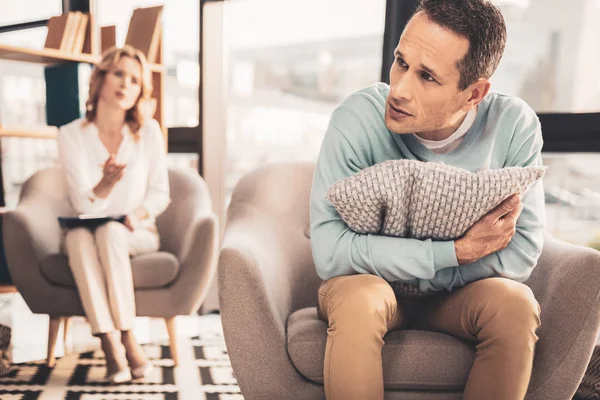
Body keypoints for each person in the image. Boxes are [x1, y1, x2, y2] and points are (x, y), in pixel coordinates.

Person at [310, 1, 545, 399]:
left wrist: (421, 270)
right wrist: (454, 252)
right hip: (369, 289)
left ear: (474, 93)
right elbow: (330, 254)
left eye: (427, 77)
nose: (399, 90)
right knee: (361, 299)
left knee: (516, 305)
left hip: (457, 300)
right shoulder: (356, 119)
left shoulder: (514, 126)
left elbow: (521, 251)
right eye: (401, 62)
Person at [57, 45, 170, 384]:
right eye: (119, 74)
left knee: (112, 232)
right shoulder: (71, 134)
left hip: (136, 230)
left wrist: (137, 213)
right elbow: (82, 204)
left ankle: (125, 336)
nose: (125, 84)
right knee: (79, 236)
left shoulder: (147, 132)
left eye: (135, 80)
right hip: (88, 229)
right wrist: (104, 185)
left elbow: (161, 192)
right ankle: (108, 341)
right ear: (100, 78)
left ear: (140, 91)